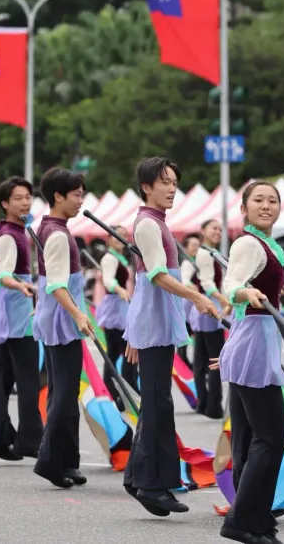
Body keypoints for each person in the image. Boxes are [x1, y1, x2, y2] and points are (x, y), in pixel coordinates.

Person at [122, 158, 219, 515]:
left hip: (155, 323)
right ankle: (151, 484)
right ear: (146, 186)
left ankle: (144, 479)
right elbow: (157, 278)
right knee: (158, 403)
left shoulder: (157, 223)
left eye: (175, 182)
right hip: (154, 324)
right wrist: (197, 297)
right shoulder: (147, 224)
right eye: (164, 182)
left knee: (157, 403)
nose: (172, 188)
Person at [218, 181, 284, 544]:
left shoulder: (270, 247)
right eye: (257, 200)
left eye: (272, 200)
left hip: (258, 340)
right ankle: (241, 520)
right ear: (243, 208)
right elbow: (230, 284)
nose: (266, 205)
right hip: (253, 343)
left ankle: (257, 520)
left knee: (256, 438)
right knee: (272, 438)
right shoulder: (248, 243)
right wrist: (246, 291)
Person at [32, 168, 94, 489]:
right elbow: (57, 284)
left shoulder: (55, 228)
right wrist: (79, 316)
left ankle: (68, 461)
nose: (80, 200)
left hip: (61, 319)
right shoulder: (56, 233)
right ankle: (50, 461)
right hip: (62, 320)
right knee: (64, 394)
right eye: (76, 195)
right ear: (58, 197)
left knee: (66, 393)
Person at [0, 177, 43, 461]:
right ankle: (29, 442)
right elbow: (2, 274)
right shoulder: (8, 235)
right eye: (18, 198)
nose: (26, 202)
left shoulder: (20, 229)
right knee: (28, 379)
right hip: (16, 315)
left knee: (4, 378)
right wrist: (21, 286)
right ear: (5, 203)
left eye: (28, 197)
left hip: (12, 313)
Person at [190, 219, 230, 419]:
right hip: (210, 310)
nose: (218, 232)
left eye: (220, 229)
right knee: (215, 360)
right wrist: (223, 301)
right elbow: (207, 283)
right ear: (203, 231)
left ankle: (204, 402)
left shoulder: (208, 253)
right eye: (214, 228)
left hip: (205, 310)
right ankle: (212, 405)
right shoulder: (205, 254)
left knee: (201, 360)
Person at [96, 225, 138, 402]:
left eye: (123, 236)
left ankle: (117, 393)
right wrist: (119, 290)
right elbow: (107, 279)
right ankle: (126, 390)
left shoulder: (121, 257)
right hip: (115, 309)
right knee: (123, 352)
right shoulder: (110, 258)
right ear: (109, 239)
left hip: (121, 307)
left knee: (114, 353)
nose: (120, 239)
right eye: (116, 236)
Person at [179, 232, 201, 368]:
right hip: (186, 305)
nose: (195, 248)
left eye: (198, 245)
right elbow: (183, 280)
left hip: (193, 304)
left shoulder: (196, 261)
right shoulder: (187, 263)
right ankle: (183, 362)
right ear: (186, 248)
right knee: (185, 335)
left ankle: (187, 362)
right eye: (193, 245)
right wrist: (193, 286)